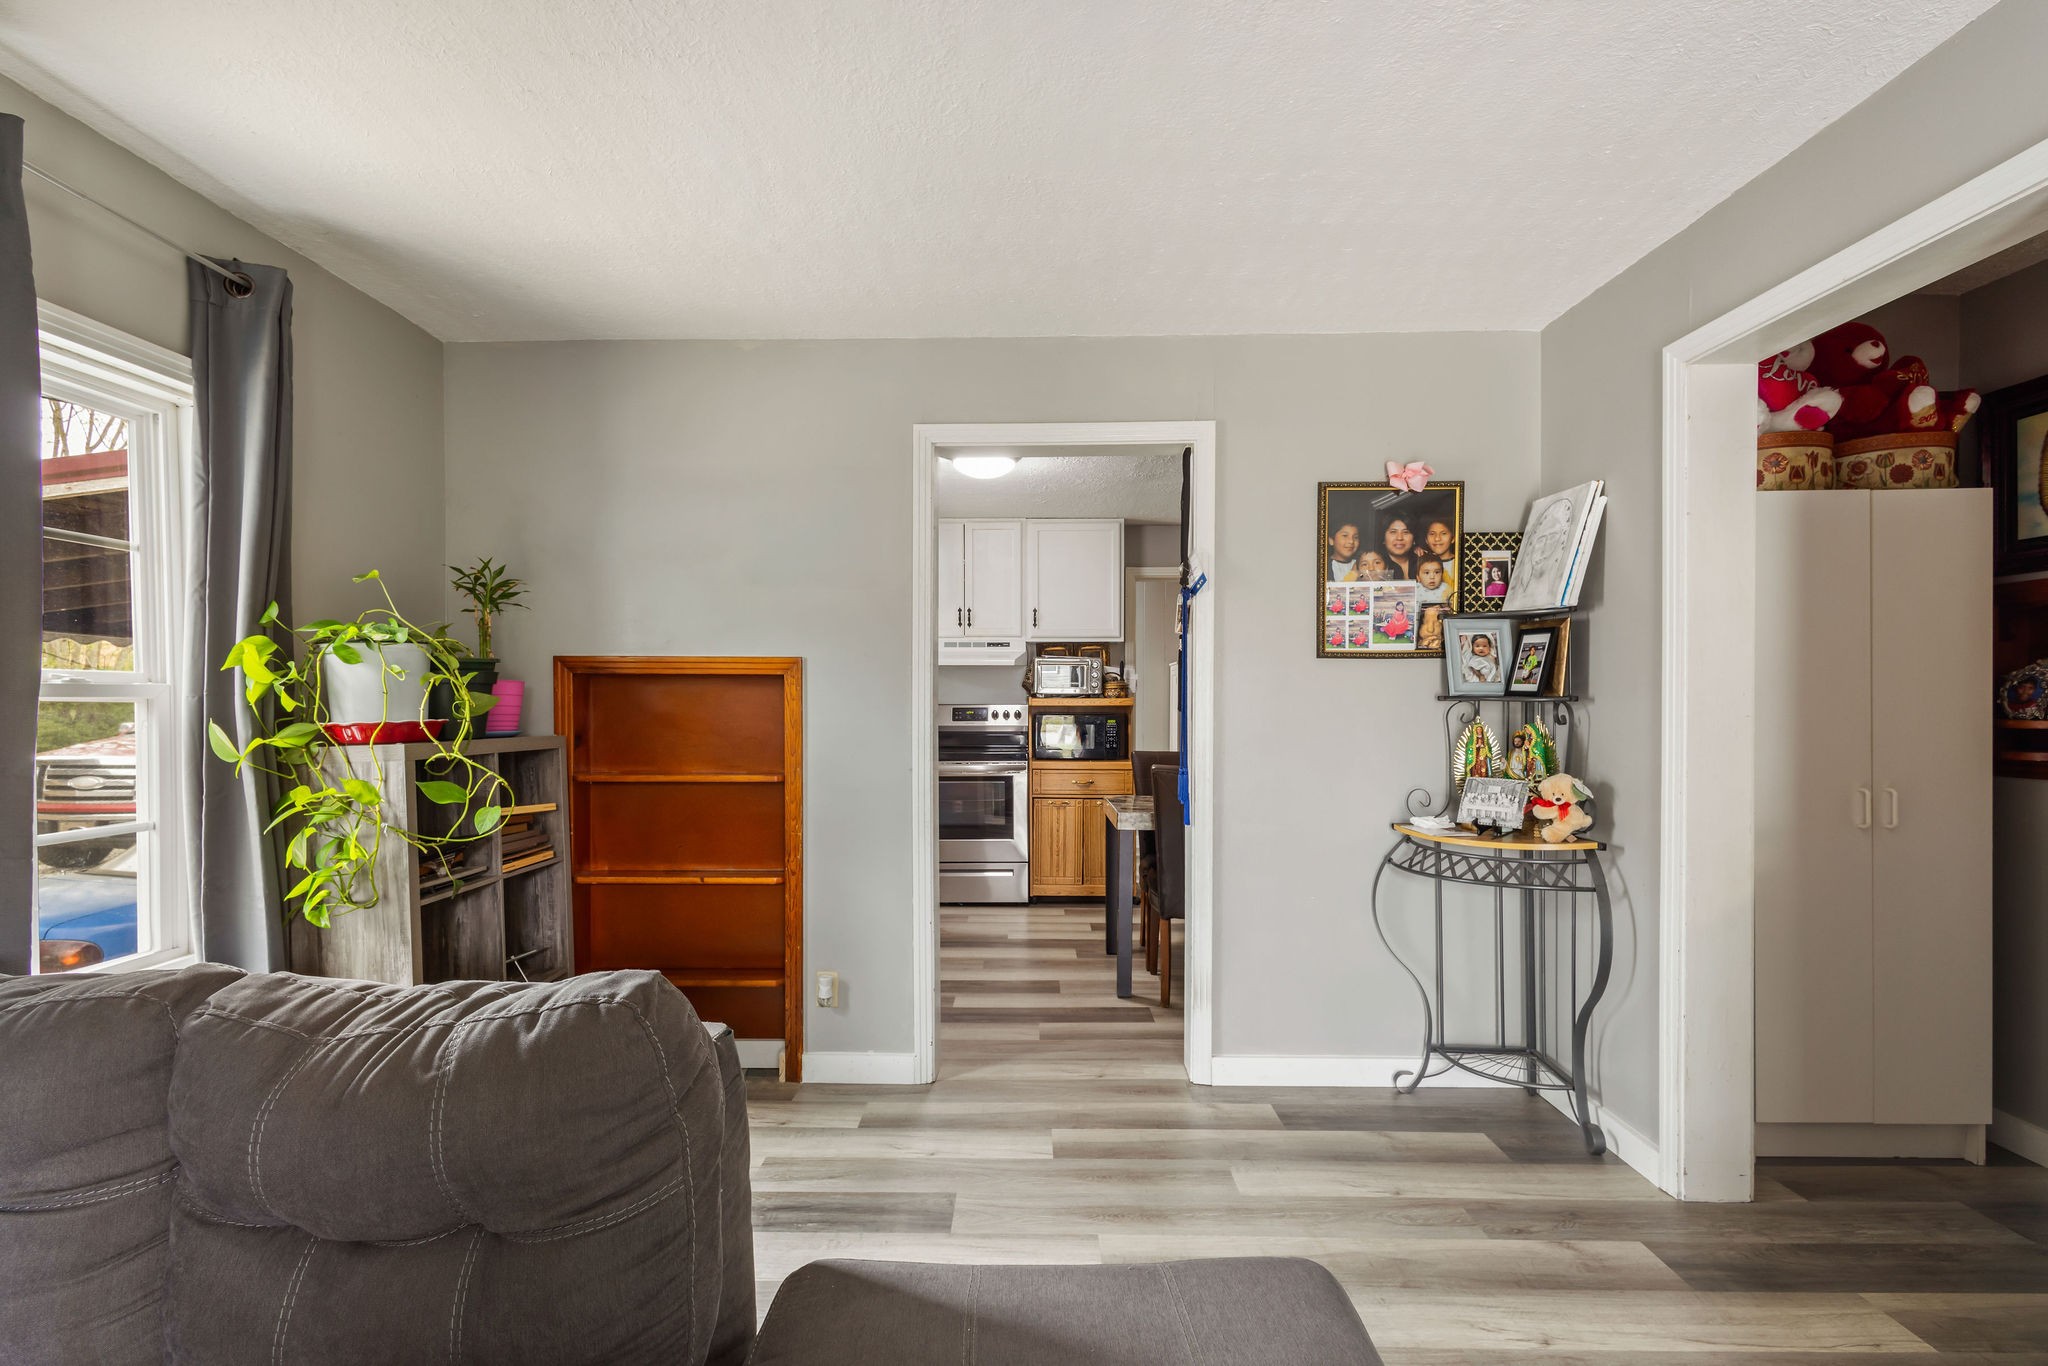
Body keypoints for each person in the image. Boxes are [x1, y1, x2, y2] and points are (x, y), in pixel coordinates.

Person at [1425, 520, 1457, 587]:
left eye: (1443, 533)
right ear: (1426, 540)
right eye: (1432, 534)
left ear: (1453, 538)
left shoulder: (1459, 562)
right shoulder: (1422, 561)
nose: (1437, 538)